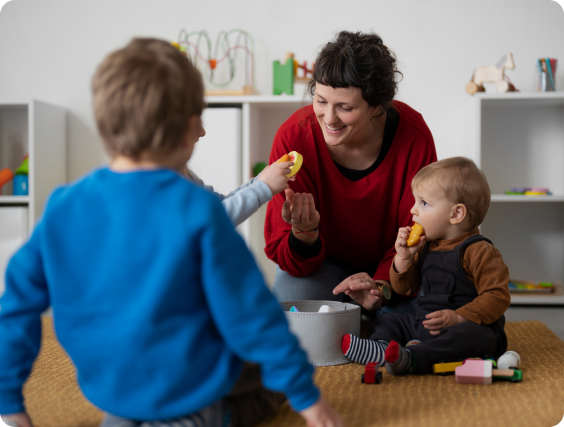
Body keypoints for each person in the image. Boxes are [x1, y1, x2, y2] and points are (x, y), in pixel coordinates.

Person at [0, 38, 343, 427]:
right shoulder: (198, 211)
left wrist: (8, 402)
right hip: (188, 388)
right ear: (185, 131)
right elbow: (252, 313)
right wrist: (307, 397)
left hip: (109, 386)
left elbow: (16, 307)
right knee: (262, 383)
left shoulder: (64, 206)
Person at [264, 31, 437, 313]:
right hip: (322, 265)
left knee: (432, 313)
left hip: (398, 264)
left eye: (345, 107)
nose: (329, 118)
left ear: (376, 107)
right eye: (320, 101)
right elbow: (285, 251)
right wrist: (304, 234)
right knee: (293, 308)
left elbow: (421, 229)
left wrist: (382, 283)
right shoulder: (293, 138)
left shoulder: (413, 136)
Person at [336, 157, 511, 375]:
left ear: (456, 214)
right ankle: (383, 348)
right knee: (388, 319)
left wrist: (458, 318)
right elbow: (403, 289)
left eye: (424, 203)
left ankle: (413, 358)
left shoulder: (479, 251)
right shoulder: (425, 246)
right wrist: (403, 259)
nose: (413, 210)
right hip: (423, 324)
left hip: (465, 326)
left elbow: (497, 296)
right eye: (415, 201)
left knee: (475, 337)